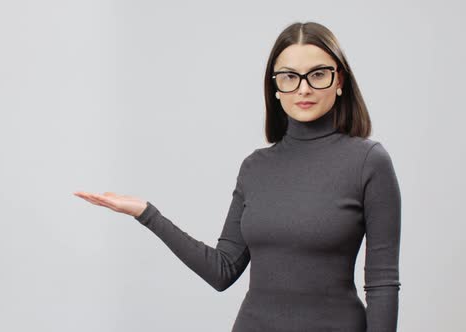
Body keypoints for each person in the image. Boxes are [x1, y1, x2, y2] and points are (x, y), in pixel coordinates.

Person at [74, 21, 401, 332]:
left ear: (340, 80)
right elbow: (222, 271)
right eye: (289, 76)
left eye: (317, 74)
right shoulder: (255, 167)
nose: (303, 88)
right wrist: (147, 213)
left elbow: (382, 282)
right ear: (275, 85)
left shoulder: (368, 162)